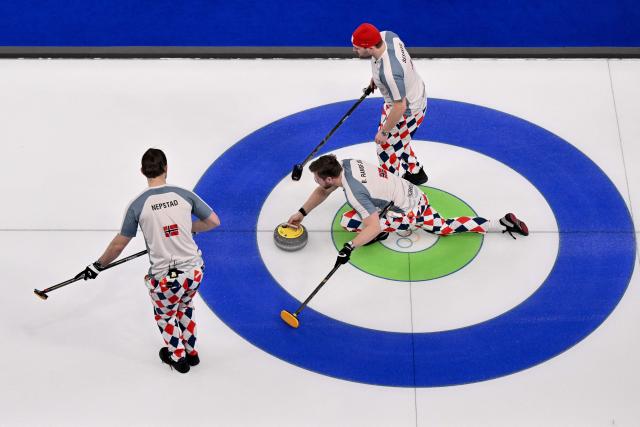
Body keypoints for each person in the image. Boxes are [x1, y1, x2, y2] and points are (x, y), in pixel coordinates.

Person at [75, 148, 220, 374]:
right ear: (166, 168)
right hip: (194, 272)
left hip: (168, 278)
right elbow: (213, 221)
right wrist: (188, 228)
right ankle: (192, 353)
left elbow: (118, 245)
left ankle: (178, 358)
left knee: (165, 314)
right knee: (184, 307)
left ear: (143, 171)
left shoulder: (138, 204)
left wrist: (97, 265)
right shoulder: (184, 194)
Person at [287, 155, 527, 266]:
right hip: (409, 191)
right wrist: (302, 212)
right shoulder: (346, 164)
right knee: (352, 220)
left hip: (409, 211)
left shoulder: (354, 193)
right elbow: (324, 192)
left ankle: (499, 223)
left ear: (329, 178)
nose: (317, 183)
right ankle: (500, 221)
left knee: (442, 227)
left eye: (318, 179)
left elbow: (374, 225)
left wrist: (350, 248)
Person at [351, 22, 429, 186]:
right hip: (411, 94)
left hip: (408, 110)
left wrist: (384, 132)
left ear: (370, 47)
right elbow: (391, 65)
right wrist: (377, 80)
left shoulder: (389, 73)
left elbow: (399, 107)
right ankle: (416, 173)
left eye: (357, 48)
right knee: (399, 141)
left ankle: (391, 192)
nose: (354, 50)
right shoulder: (387, 35)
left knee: (385, 148)